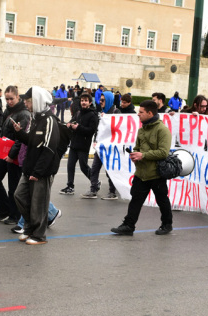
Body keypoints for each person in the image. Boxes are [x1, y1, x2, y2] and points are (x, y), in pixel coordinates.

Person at [111, 100, 173, 236]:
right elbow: (138, 148)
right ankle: (128, 225)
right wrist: (135, 154)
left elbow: (163, 152)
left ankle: (167, 224)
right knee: (136, 200)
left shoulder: (162, 130)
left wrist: (142, 155)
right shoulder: (141, 130)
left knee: (162, 200)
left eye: (141, 112)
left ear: (150, 113)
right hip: (141, 173)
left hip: (156, 173)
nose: (138, 114)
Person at [12, 87, 63, 245]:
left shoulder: (49, 120)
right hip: (29, 167)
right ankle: (29, 228)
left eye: (28, 101)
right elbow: (32, 142)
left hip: (41, 171)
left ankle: (39, 235)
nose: (26, 105)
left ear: (36, 101)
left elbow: (49, 148)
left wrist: (38, 172)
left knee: (38, 203)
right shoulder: (35, 118)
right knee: (19, 196)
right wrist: (20, 133)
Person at [0, 86, 31, 224]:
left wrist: (12, 155)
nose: (9, 101)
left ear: (18, 97)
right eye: (6, 99)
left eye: (11, 99)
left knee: (13, 187)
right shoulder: (7, 111)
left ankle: (15, 215)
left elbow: (21, 138)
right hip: (4, 151)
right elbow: (1, 131)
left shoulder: (24, 114)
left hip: (14, 156)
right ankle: (5, 211)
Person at [62, 93, 97, 195]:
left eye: (86, 100)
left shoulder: (92, 115)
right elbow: (72, 122)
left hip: (83, 145)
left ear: (90, 103)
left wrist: (78, 128)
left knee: (83, 167)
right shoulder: (78, 113)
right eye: (82, 101)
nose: (83, 102)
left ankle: (95, 181)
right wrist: (69, 125)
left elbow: (91, 130)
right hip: (74, 144)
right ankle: (70, 186)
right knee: (70, 165)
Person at [87, 90, 119, 199]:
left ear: (109, 100)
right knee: (94, 168)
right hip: (100, 147)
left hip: (110, 147)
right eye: (100, 100)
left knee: (109, 171)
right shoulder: (101, 112)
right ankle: (93, 189)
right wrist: (95, 140)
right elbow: (98, 130)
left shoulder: (116, 112)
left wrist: (106, 119)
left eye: (102, 100)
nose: (100, 102)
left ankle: (112, 192)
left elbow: (118, 129)